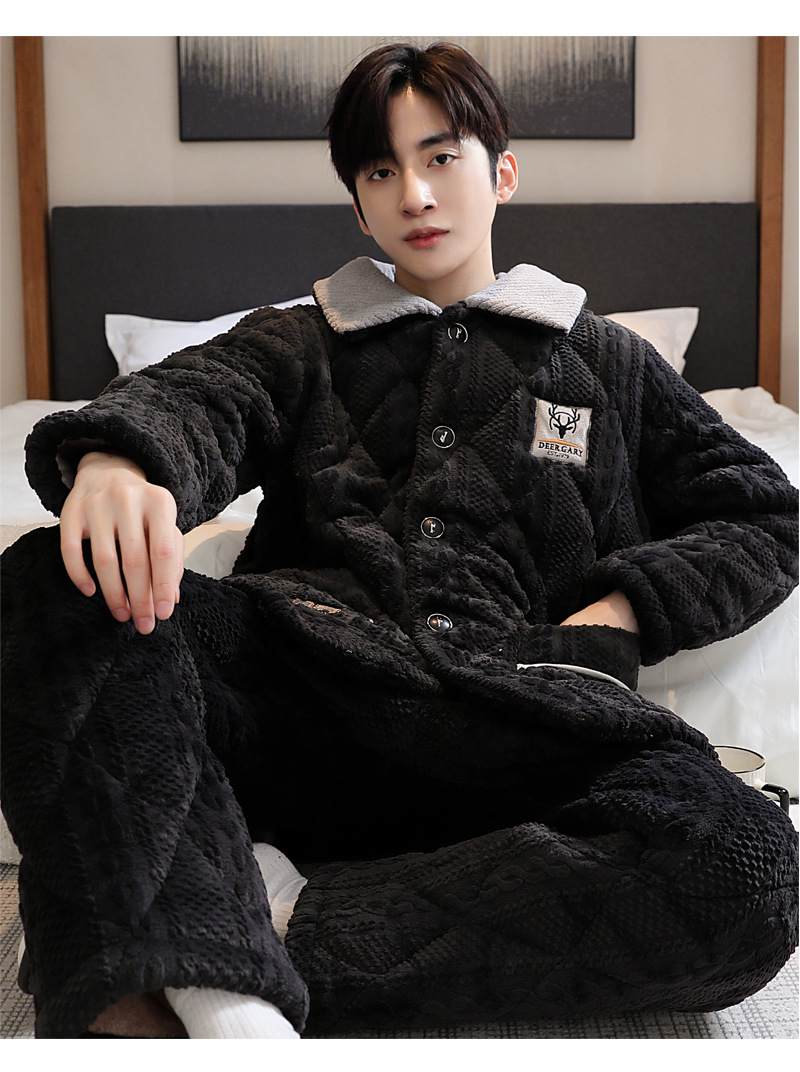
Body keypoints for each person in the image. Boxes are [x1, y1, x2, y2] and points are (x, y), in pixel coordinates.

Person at [2, 41, 797, 1040]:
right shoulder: (300, 339)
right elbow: (198, 397)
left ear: (502, 173)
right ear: (359, 206)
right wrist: (124, 459)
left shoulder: (610, 362)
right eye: (380, 171)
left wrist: (623, 607)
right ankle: (182, 944)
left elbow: (763, 513)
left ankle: (246, 924)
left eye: (441, 156)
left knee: (743, 864)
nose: (414, 193)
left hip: (525, 721)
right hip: (299, 702)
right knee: (54, 575)